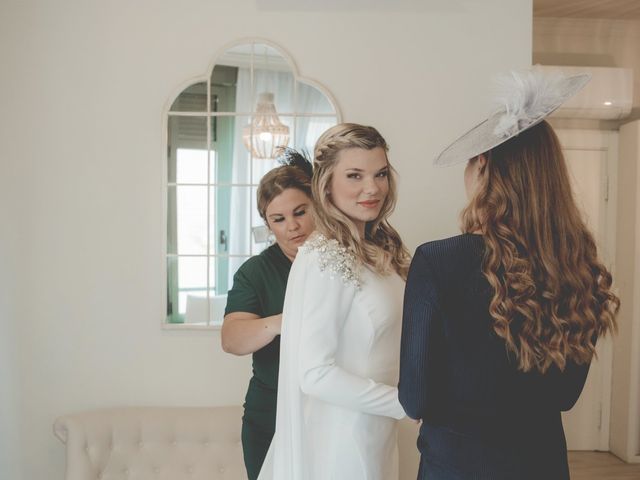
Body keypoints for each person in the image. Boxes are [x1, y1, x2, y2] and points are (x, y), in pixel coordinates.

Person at [399, 69, 620, 480]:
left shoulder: (437, 261)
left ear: (482, 164)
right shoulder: (579, 267)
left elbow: (415, 399)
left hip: (457, 466)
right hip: (542, 465)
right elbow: (566, 396)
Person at [258, 123, 411, 480]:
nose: (371, 188)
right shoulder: (324, 256)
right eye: (355, 176)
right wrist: (402, 403)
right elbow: (314, 374)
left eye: (381, 174)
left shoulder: (379, 248)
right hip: (342, 442)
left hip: (378, 433)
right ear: (326, 183)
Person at [221, 150, 315, 480]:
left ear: (317, 206)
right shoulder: (255, 272)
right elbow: (232, 340)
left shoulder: (345, 260)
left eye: (300, 212)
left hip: (332, 412)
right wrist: (283, 322)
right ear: (268, 224)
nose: (292, 226)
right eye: (279, 219)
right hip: (270, 418)